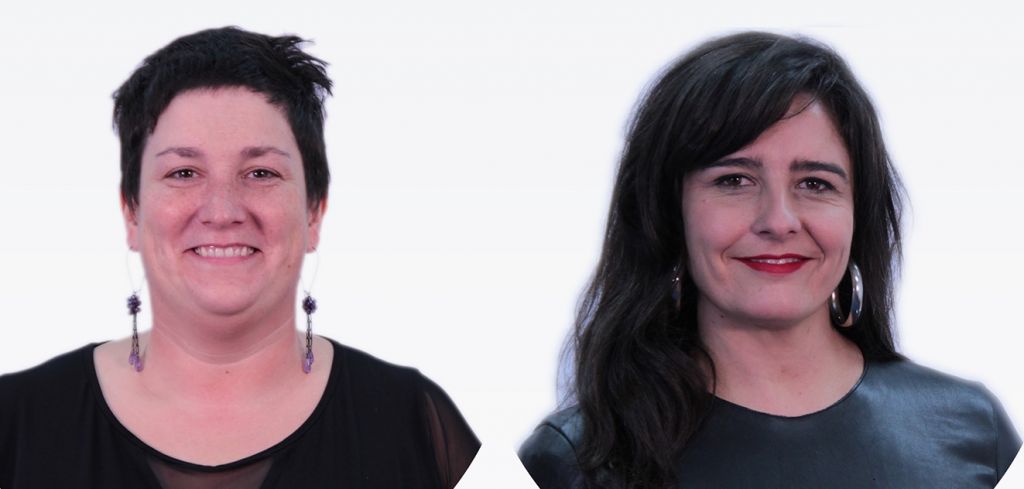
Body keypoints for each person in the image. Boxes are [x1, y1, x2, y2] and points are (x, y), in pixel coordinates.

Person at [518, 31, 1020, 489]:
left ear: (857, 214)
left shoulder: (972, 432)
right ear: (669, 214)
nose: (779, 221)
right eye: (734, 180)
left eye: (815, 183)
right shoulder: (575, 461)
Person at [0, 26, 478, 488]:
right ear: (131, 212)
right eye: (184, 173)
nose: (223, 211)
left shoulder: (416, 423)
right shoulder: (13, 422)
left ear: (314, 211)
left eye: (260, 173)